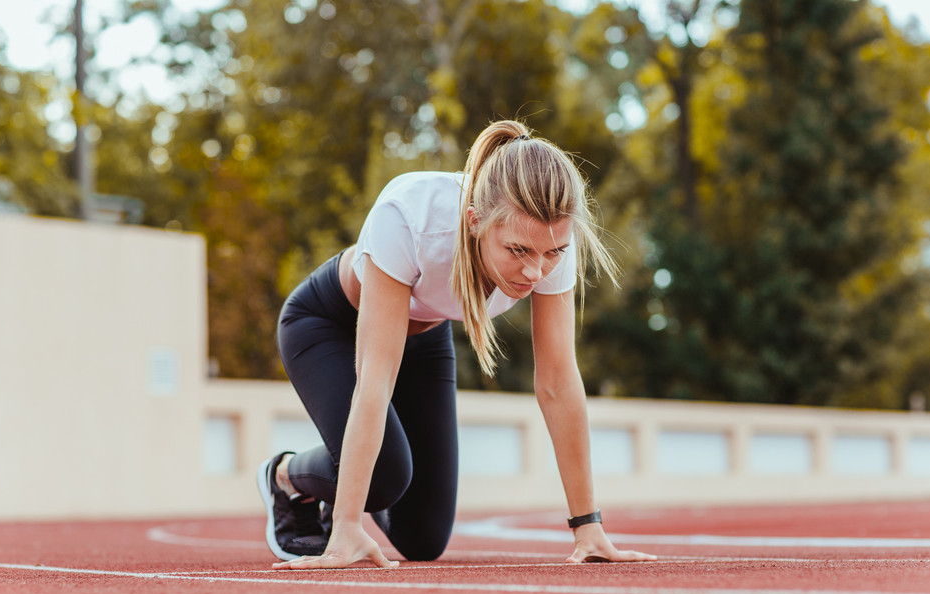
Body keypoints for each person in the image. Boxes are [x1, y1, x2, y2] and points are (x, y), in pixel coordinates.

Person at [257, 119, 656, 569]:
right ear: (474, 221)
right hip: (328, 325)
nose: (536, 271)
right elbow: (376, 378)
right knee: (386, 476)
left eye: (552, 254)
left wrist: (588, 528)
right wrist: (347, 526)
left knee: (423, 539)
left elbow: (558, 382)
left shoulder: (550, 238)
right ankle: (285, 476)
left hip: (425, 336)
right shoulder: (409, 215)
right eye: (518, 251)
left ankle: (350, 488)